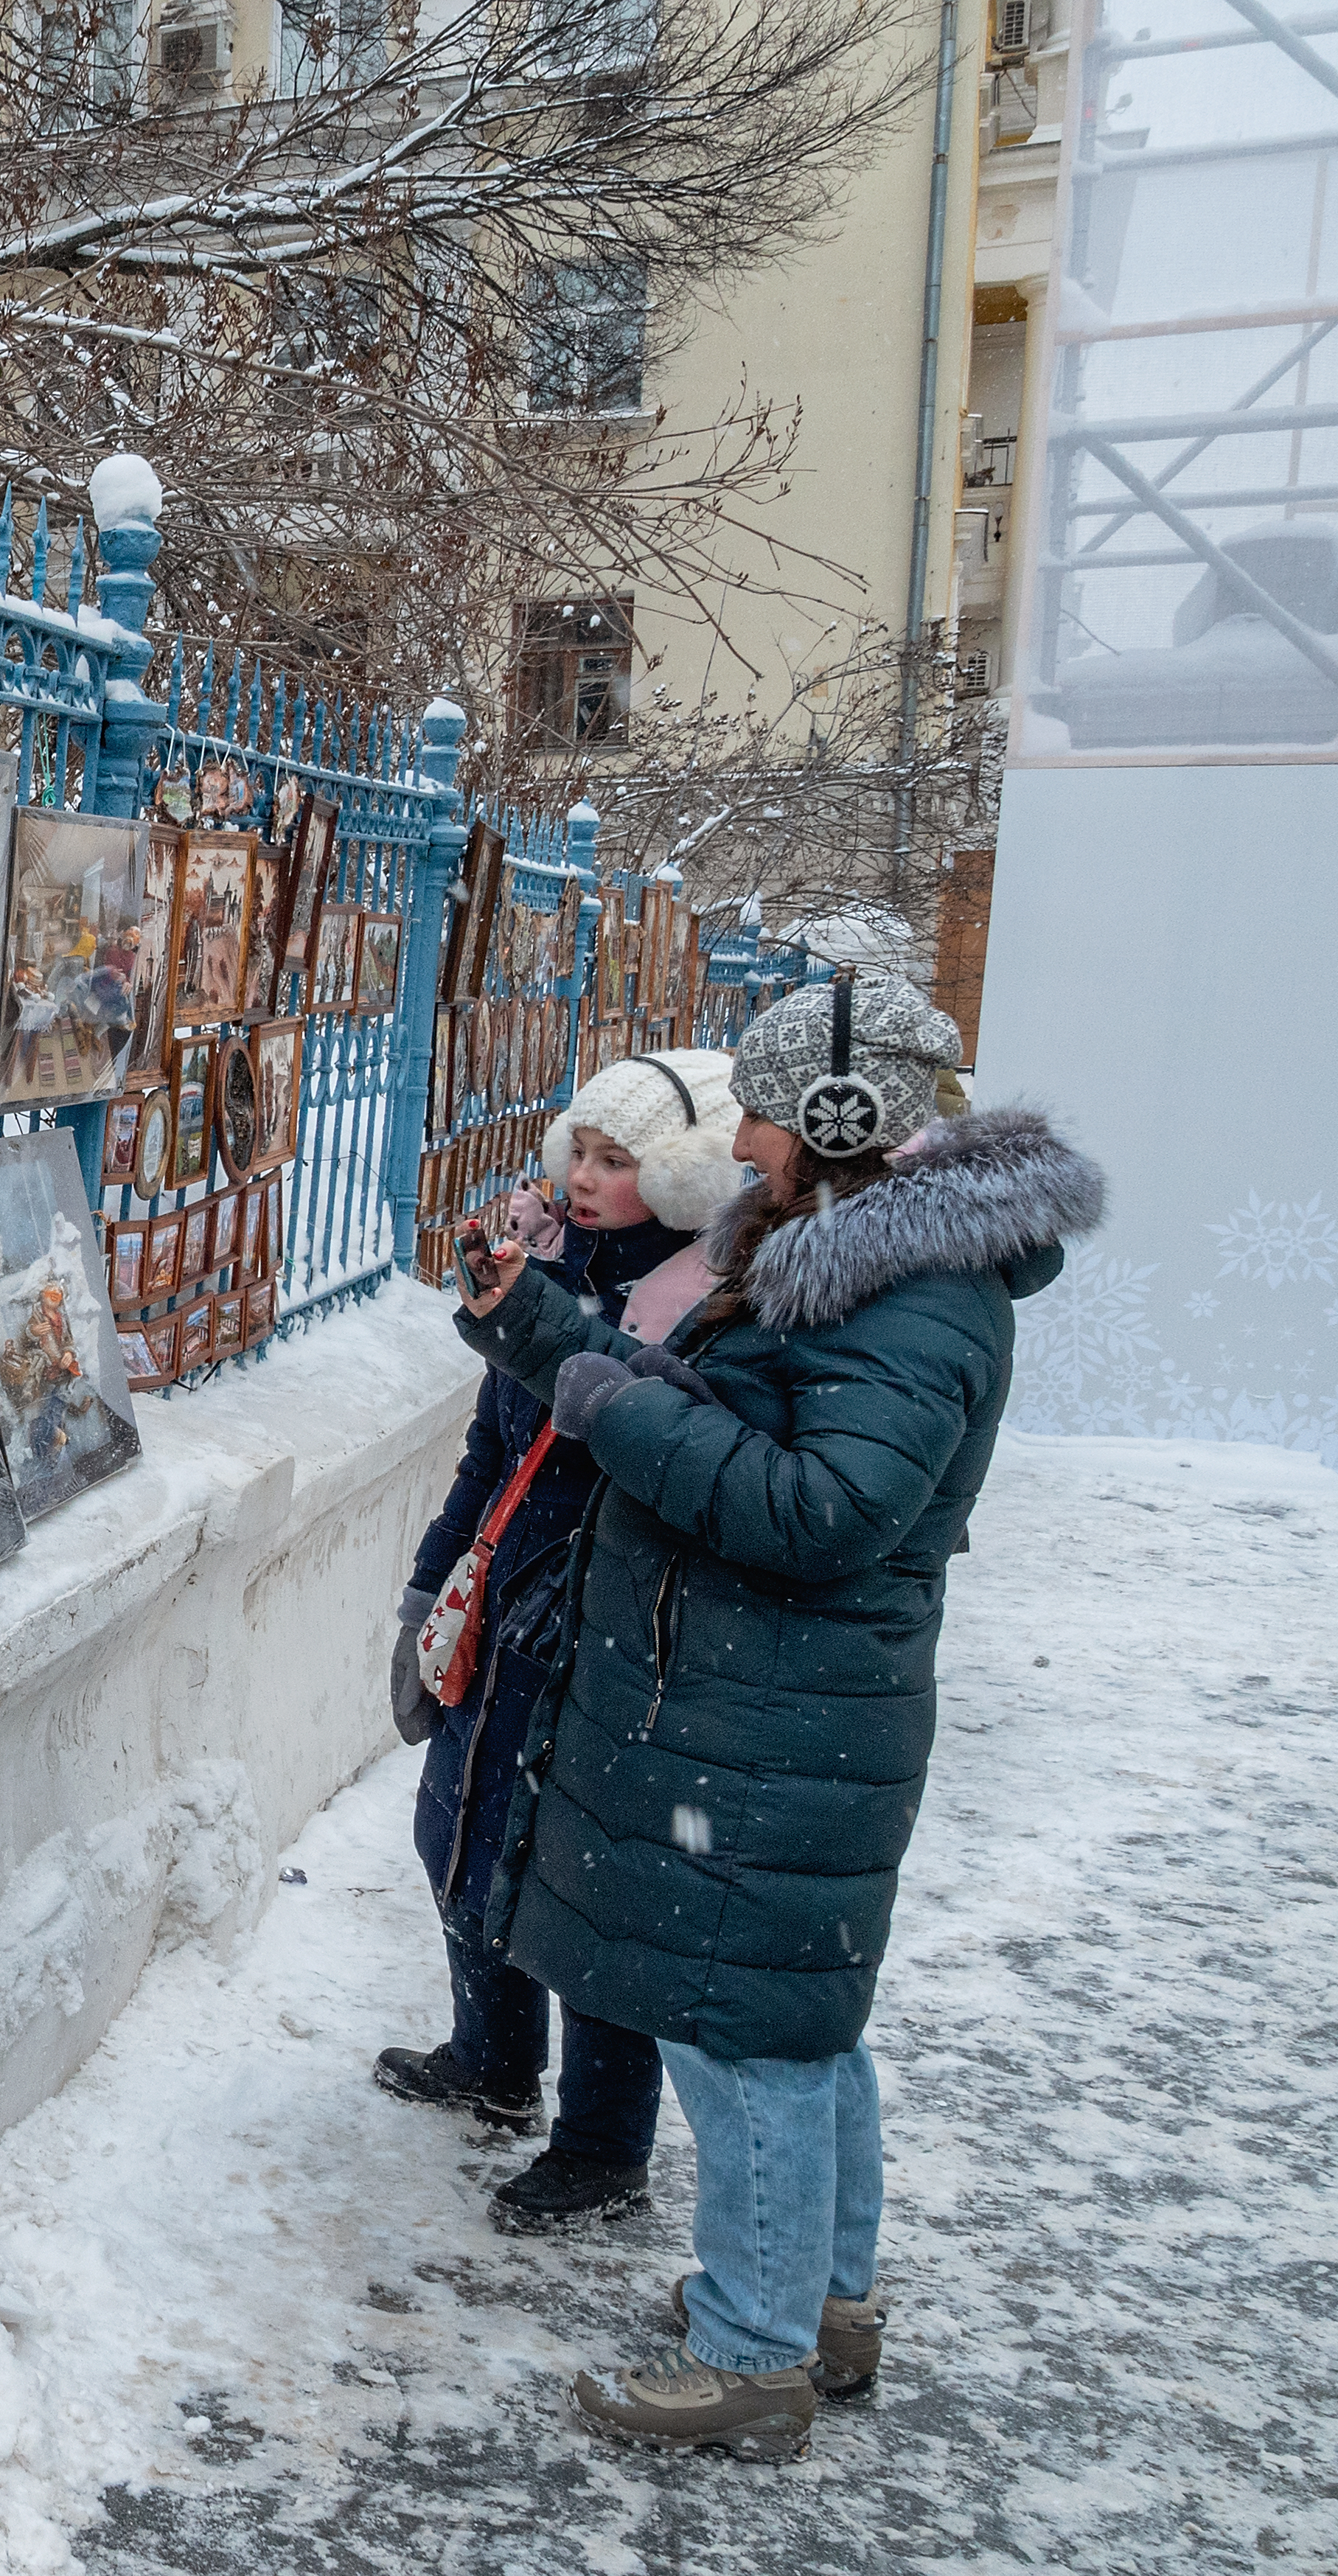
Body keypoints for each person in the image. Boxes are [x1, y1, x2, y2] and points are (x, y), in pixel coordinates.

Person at [458, 969, 1102, 2458]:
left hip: (774, 1713)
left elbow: (819, 1509)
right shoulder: (850, 1259)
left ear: (839, 1116)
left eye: (760, 1105)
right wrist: (550, 1334)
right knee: (799, 2023)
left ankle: (756, 2354)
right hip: (765, 1706)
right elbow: (732, 1414)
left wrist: (618, 1409)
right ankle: (826, 2303)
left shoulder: (913, 1301)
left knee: (746, 2038)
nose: (737, 1135)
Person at [379, 1049, 745, 2233]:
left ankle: (602, 2145)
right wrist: (433, 1587)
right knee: (460, 1823)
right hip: (505, 1601)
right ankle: (490, 2060)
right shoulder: (546, 1263)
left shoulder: (708, 1308)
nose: (583, 1178)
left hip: (604, 1624)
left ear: (685, 1177)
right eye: (576, 1151)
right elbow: (491, 1450)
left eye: (618, 1161)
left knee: (591, 1887)